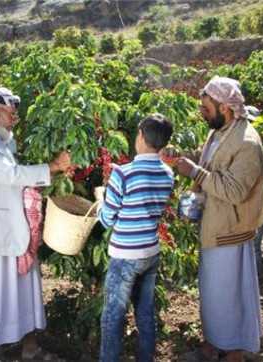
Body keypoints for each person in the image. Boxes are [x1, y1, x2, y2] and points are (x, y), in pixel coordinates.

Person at [0, 87, 71, 362]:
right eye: (11, 114)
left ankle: (30, 348)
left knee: (27, 289)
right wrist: (52, 168)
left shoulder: (1, 140)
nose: (14, 120)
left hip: (16, 227)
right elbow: (8, 174)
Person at [168, 77, 263, 362]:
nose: (202, 111)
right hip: (215, 226)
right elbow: (205, 160)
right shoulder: (221, 131)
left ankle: (233, 351)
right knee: (212, 293)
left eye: (206, 107)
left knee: (229, 295)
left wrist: (195, 173)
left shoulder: (247, 142)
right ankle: (212, 346)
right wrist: (181, 158)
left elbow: (234, 191)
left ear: (225, 107)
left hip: (230, 231)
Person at [94, 114, 175, 362]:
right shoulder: (167, 173)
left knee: (112, 316)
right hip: (150, 252)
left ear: (140, 135)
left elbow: (108, 219)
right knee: (145, 312)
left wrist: (100, 203)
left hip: (125, 255)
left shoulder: (124, 173)